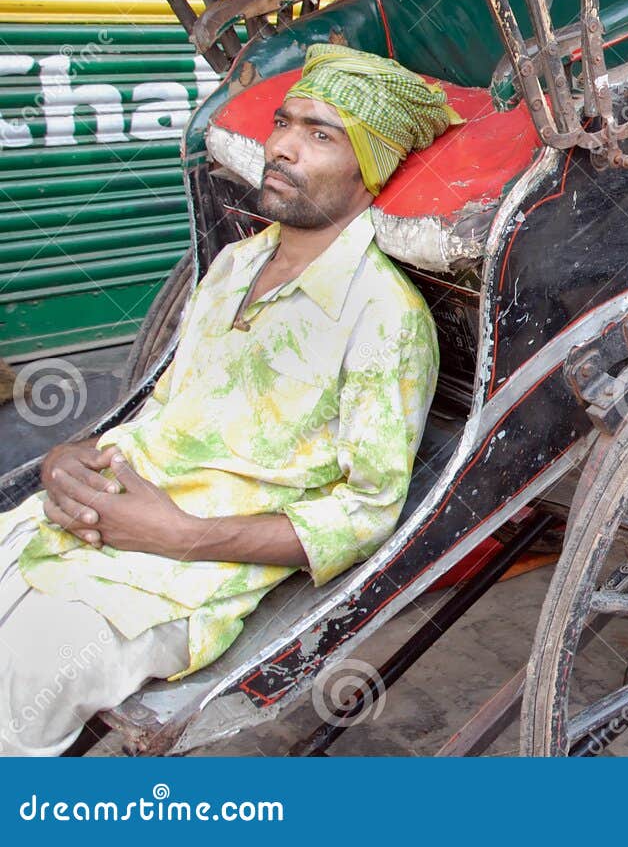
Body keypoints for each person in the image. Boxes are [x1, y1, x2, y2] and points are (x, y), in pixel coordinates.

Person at [0, 44, 459, 755]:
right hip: (89, 517)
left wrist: (181, 533)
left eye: (319, 134)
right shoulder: (234, 261)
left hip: (179, 580)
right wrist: (68, 455)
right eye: (284, 122)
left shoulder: (385, 317)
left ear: (371, 168)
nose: (279, 147)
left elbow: (366, 512)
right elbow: (166, 405)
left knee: (25, 676)